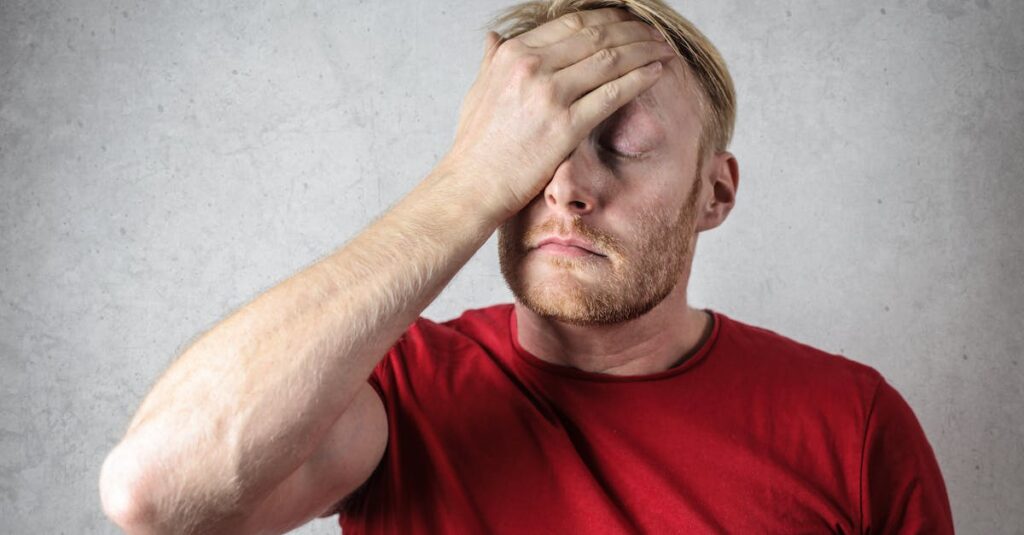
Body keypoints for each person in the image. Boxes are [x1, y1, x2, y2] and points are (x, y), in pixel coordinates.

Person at [99, 1, 954, 533]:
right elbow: (152, 494)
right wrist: (466, 182)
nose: (568, 188)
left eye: (622, 146)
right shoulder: (395, 389)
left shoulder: (854, 421)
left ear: (714, 193)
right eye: (533, 153)